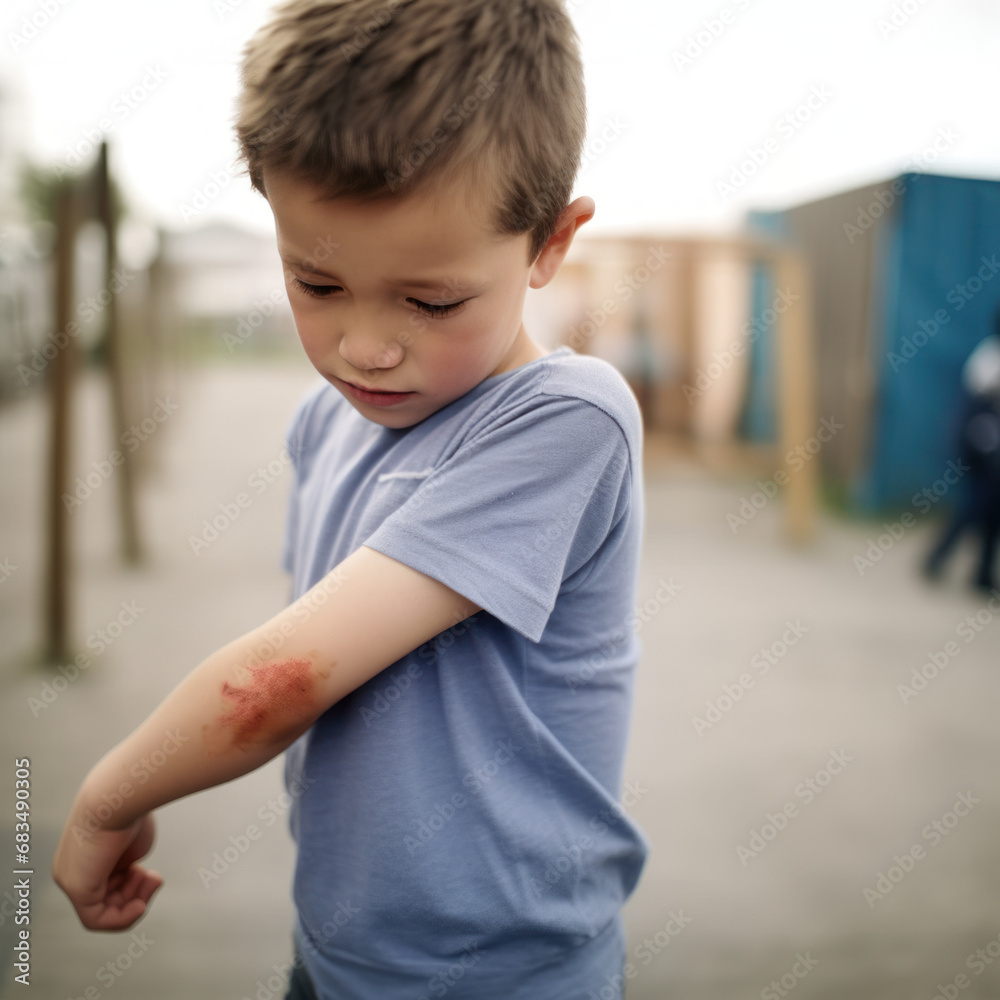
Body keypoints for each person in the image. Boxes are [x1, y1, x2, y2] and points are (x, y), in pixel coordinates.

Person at [51, 2, 651, 997]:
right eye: (315, 283)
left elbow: (284, 678)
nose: (362, 347)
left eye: (430, 301)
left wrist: (106, 796)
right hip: (340, 952)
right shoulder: (325, 422)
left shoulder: (567, 422)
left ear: (549, 243)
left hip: (507, 975)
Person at [923, 329, 1000, 593]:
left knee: (992, 511)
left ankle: (983, 573)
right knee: (976, 505)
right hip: (979, 443)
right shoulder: (990, 358)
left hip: (987, 442)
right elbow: (978, 416)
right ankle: (937, 557)